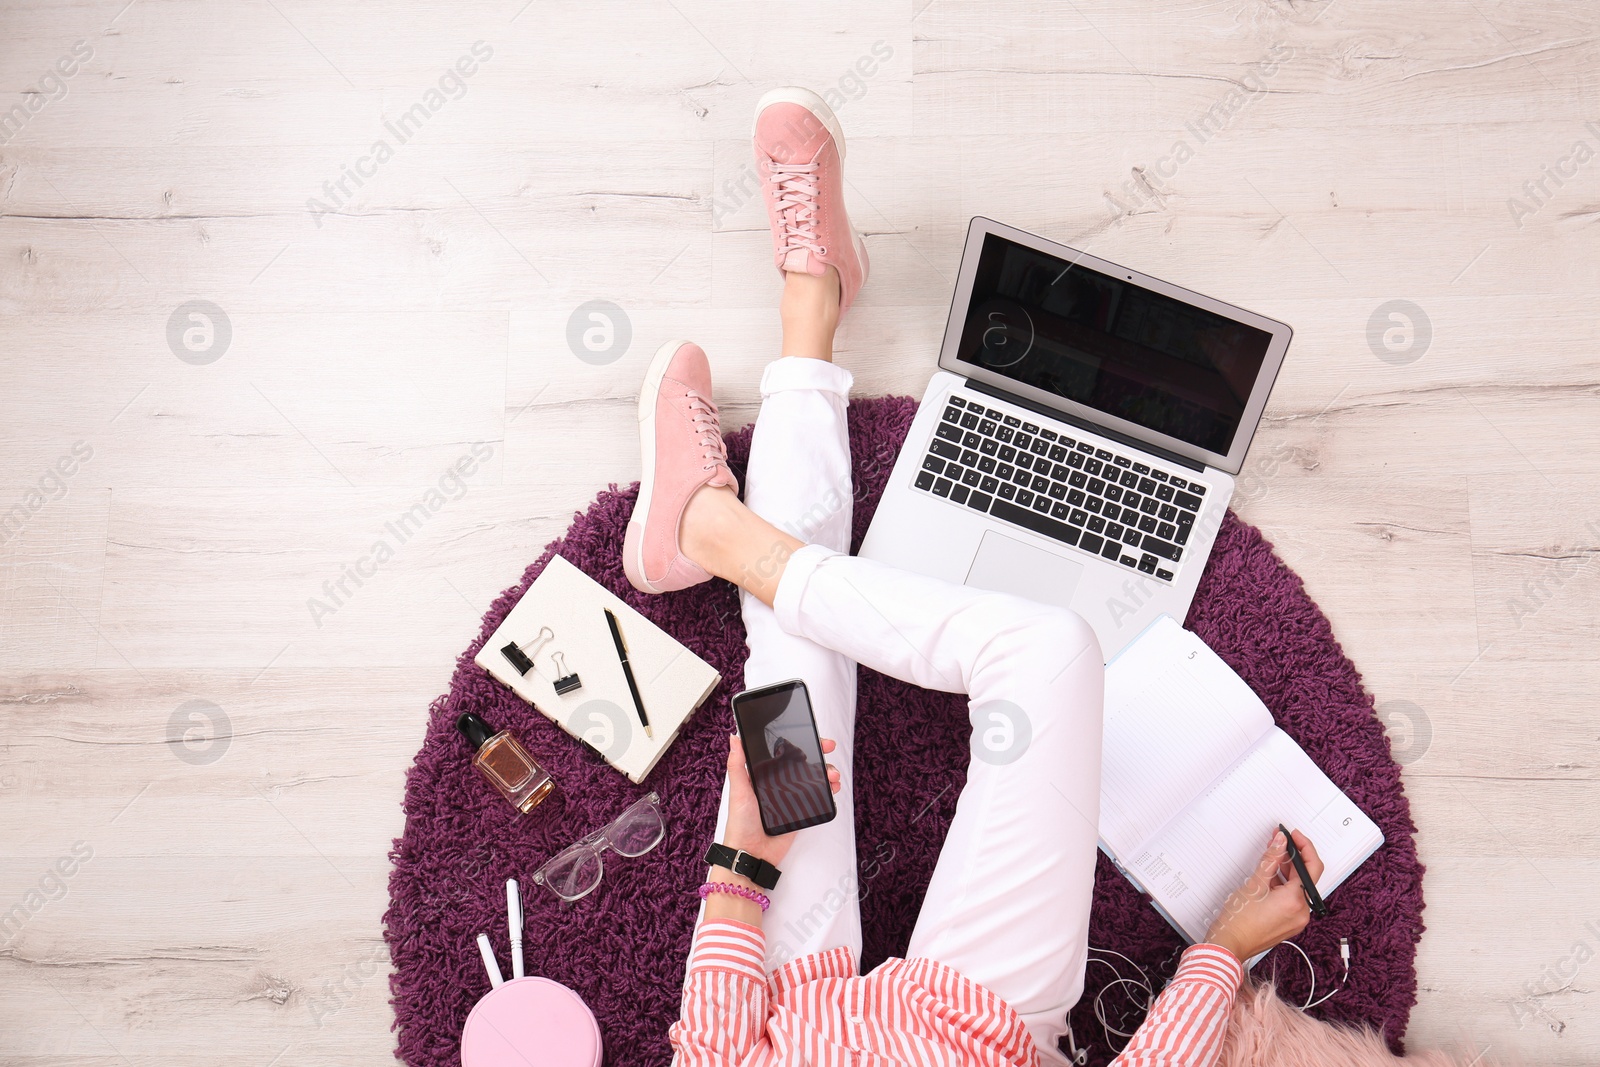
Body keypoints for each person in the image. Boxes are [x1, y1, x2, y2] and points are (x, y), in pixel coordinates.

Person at [624, 86, 1325, 1067]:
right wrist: (1219, 953)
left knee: (791, 680)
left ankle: (809, 304)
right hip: (983, 1018)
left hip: (792, 1013)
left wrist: (742, 862)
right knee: (1049, 650)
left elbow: (712, 1056)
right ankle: (720, 527)